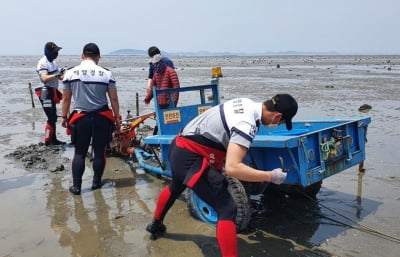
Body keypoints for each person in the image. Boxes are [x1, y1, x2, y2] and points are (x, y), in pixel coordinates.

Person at [146, 94, 298, 257]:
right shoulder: (246, 124)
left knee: (176, 186)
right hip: (191, 155)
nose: (278, 124)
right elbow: (233, 168)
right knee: (227, 209)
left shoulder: (246, 103)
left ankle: (156, 225)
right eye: (281, 123)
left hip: (179, 146)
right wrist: (270, 176)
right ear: (277, 116)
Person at [61, 43, 120, 195]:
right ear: (98, 57)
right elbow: (113, 99)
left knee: (80, 153)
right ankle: (96, 182)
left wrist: (64, 117)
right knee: (100, 152)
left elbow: (66, 99)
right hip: (102, 118)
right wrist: (117, 119)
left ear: (82, 56)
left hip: (81, 119)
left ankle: (77, 187)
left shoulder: (70, 73)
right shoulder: (107, 74)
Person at [36, 42, 66, 145]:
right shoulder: (42, 63)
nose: (56, 54)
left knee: (53, 116)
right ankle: (48, 141)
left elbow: (60, 77)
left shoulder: (53, 63)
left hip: (52, 91)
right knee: (51, 117)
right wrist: (56, 75)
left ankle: (54, 139)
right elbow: (44, 78)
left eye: (57, 51)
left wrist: (65, 75)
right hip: (45, 92)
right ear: (48, 52)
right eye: (55, 52)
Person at [144, 53, 180, 135]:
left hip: (169, 103)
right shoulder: (156, 74)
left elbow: (176, 88)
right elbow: (153, 88)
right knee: (159, 123)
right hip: (160, 103)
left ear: (160, 63)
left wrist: (174, 103)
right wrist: (147, 99)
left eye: (155, 64)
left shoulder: (171, 72)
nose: (154, 66)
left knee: (171, 124)